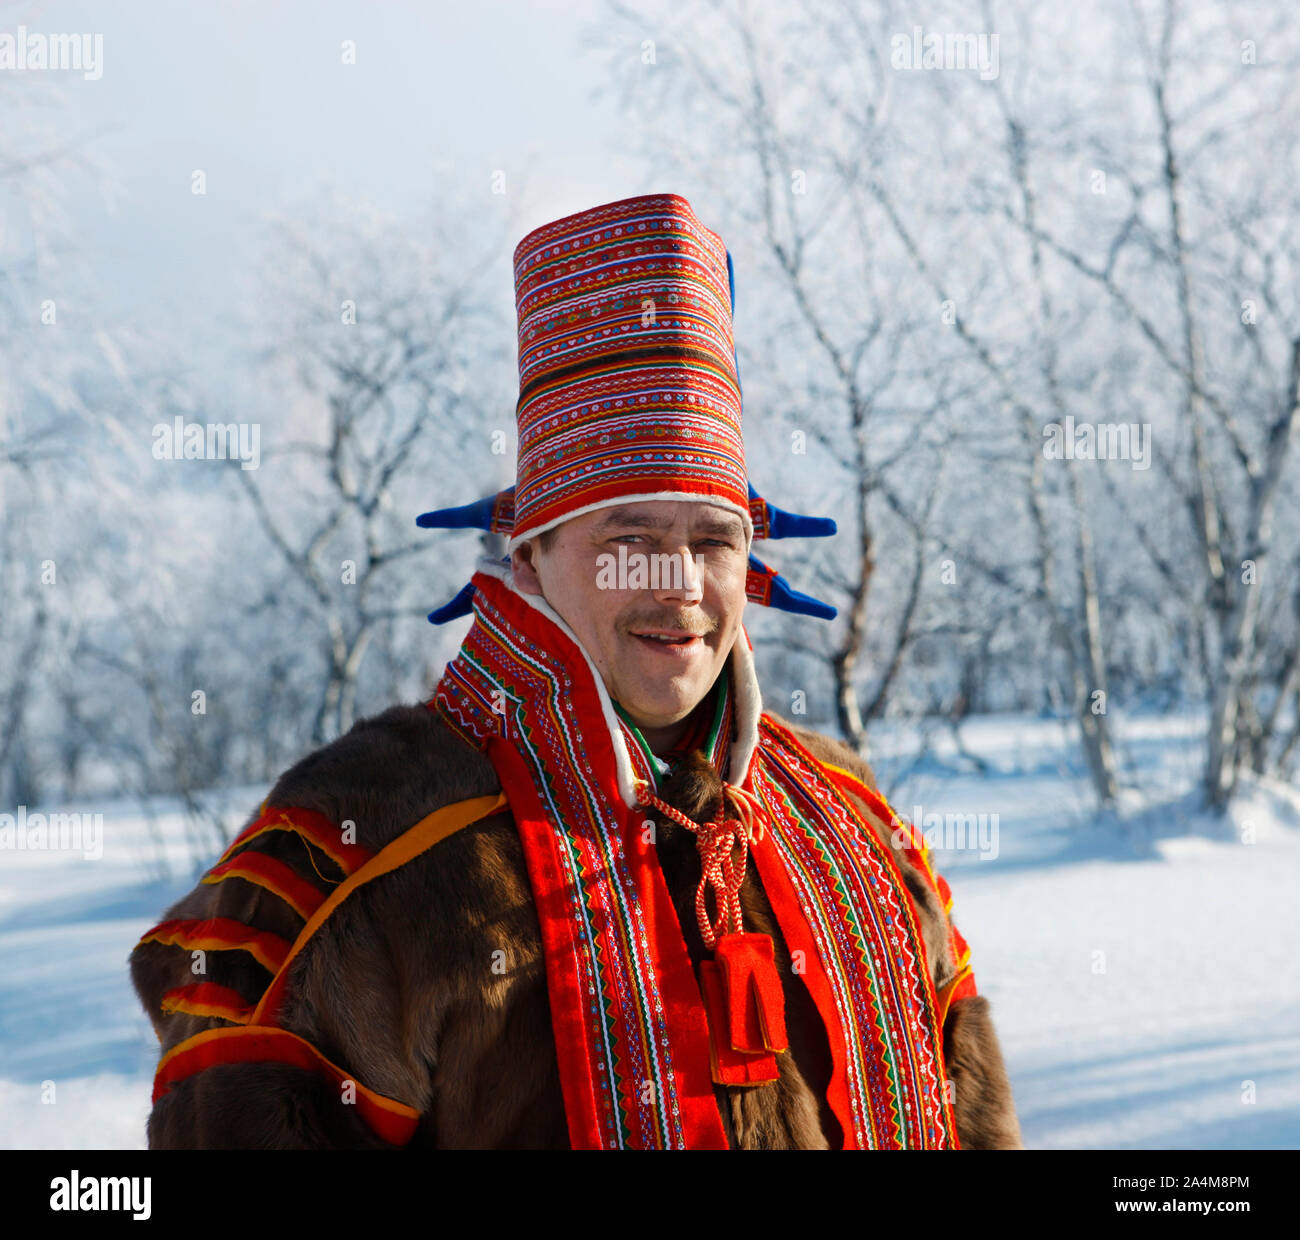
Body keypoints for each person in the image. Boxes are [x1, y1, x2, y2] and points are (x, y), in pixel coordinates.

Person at [130, 192, 1022, 1149]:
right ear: (530, 556)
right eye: (627, 538)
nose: (677, 585)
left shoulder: (851, 818)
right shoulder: (364, 840)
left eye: (712, 541)